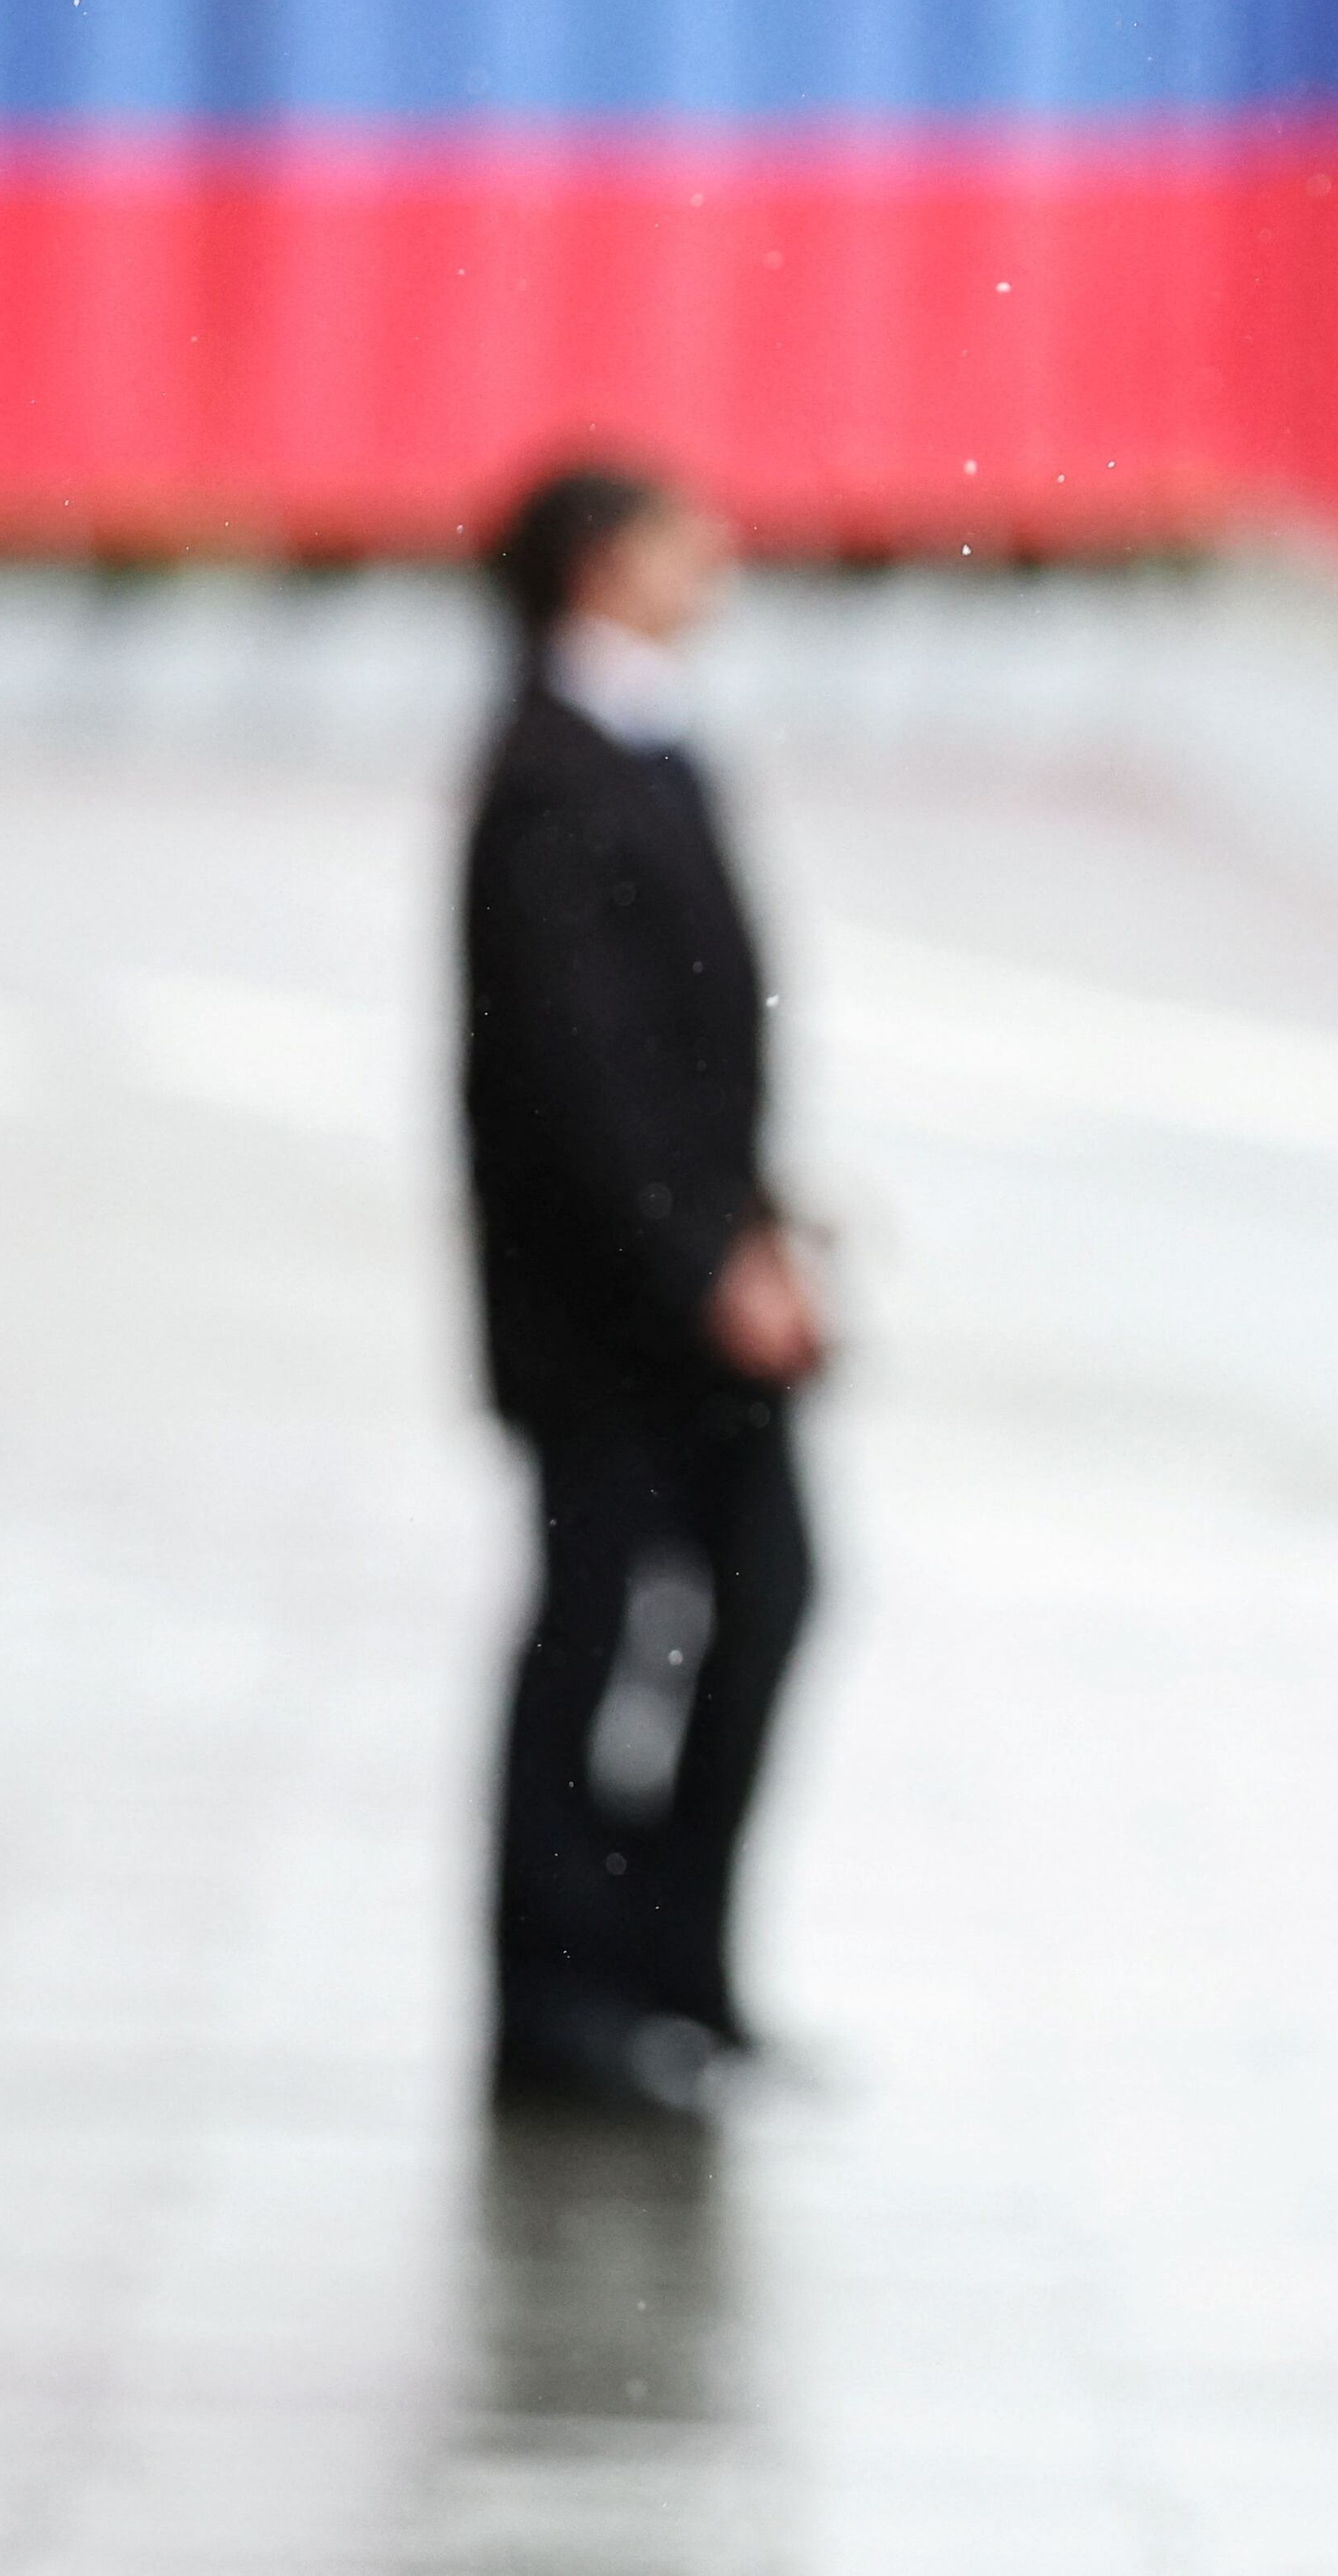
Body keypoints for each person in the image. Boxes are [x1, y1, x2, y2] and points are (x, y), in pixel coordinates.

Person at [461, 463, 824, 2119]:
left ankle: (673, 1974)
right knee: (598, 1630)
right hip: (610, 1311)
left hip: (687, 1282)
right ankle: (563, 1993)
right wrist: (708, 1265)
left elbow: (688, 1048)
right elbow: (583, 1073)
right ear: (605, 562)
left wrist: (760, 1225)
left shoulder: (641, 738)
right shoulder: (553, 766)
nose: (718, 551)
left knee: (761, 1596)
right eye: (688, 530)